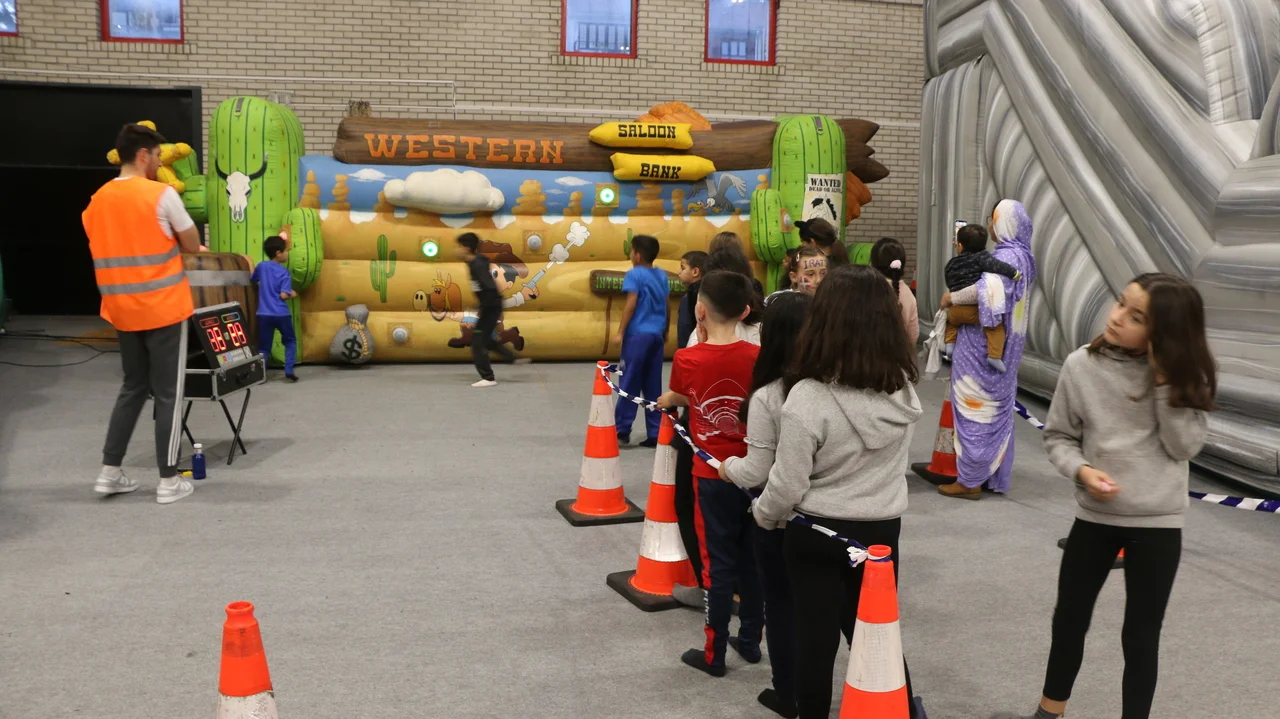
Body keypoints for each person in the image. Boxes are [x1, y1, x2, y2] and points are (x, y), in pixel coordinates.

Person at [992, 274, 1215, 719]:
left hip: (1158, 524)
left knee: (1141, 635)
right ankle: (1049, 712)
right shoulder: (1081, 365)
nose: (1117, 317)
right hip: (1095, 517)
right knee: (1069, 619)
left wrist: (1165, 381)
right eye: (1120, 303)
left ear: (1164, 332)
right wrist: (1082, 470)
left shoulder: (1183, 377)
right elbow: (1058, 436)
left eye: (1137, 317)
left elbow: (1183, 447)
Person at [753, 264, 923, 719]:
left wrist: (763, 513)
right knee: (878, 635)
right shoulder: (902, 389)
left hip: (816, 533)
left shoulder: (808, 396)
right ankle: (902, 710)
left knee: (816, 644)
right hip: (882, 533)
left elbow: (787, 484)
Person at [82, 123, 203, 504]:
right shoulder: (160, 195)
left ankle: (109, 472)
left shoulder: (97, 200)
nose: (159, 163)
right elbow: (192, 243)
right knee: (168, 394)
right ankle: (168, 480)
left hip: (121, 309)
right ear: (142, 155)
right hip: (163, 306)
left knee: (132, 387)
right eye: (157, 156)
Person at [657, 271, 764, 678]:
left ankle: (713, 652)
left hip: (711, 476)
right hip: (754, 473)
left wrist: (668, 399)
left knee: (716, 565)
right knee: (752, 560)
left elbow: (685, 395)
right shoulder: (757, 357)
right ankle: (750, 640)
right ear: (746, 311)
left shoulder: (688, 358)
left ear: (700, 310)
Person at [720, 290, 812, 719]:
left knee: (780, 605)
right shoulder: (831, 386)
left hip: (779, 517)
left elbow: (757, 471)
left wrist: (726, 467)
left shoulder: (769, 396)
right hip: (829, 518)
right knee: (821, 612)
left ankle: (787, 693)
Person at [937, 199, 1038, 499]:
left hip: (980, 347)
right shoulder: (1024, 256)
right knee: (997, 411)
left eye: (993, 219)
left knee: (975, 407)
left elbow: (987, 293)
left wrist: (952, 298)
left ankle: (969, 481)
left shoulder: (1007, 257)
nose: (990, 225)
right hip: (1006, 345)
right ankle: (990, 475)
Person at [612, 234, 670, 446]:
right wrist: (665, 330)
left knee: (629, 381)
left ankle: (622, 430)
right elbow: (667, 303)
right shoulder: (661, 275)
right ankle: (655, 433)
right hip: (656, 335)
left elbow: (631, 303)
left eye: (631, 251)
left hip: (637, 335)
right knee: (653, 383)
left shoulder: (634, 274)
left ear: (637, 255)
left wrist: (620, 331)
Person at [944, 224, 1020, 371]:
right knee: (995, 327)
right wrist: (1014, 273)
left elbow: (949, 281)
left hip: (955, 310)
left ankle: (949, 344)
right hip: (975, 311)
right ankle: (994, 356)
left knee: (951, 323)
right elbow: (998, 266)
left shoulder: (951, 264)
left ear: (960, 246)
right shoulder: (982, 258)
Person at [456, 232, 526, 387]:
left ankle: (488, 378)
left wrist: (483, 307)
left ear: (466, 248)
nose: (456, 250)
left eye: (458, 247)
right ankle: (511, 358)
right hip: (491, 305)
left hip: (491, 307)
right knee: (486, 339)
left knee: (478, 341)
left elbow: (489, 287)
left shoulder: (477, 265)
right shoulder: (474, 263)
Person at [251, 236, 298, 382]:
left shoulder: (262, 266)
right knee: (290, 341)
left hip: (263, 313)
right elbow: (283, 295)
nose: (287, 254)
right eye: (286, 251)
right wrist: (292, 294)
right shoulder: (284, 273)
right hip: (281, 314)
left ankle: (261, 375)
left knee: (264, 347)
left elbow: (253, 279)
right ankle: (289, 370)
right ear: (278, 253)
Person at [871, 236, 919, 345]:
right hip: (899, 354)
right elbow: (913, 336)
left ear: (873, 262)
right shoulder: (908, 295)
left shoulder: (866, 288)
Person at [677, 250, 707, 351]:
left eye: (683, 268)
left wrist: (683, 351)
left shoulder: (687, 299)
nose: (679, 272)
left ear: (695, 272)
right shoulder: (710, 295)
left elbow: (684, 328)